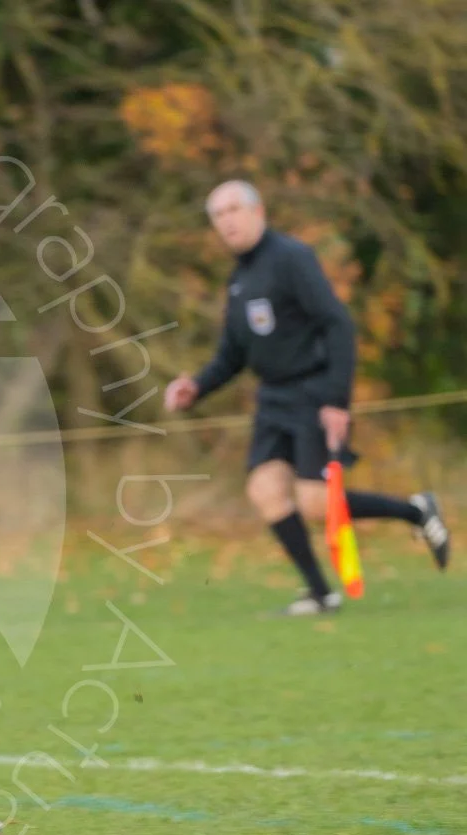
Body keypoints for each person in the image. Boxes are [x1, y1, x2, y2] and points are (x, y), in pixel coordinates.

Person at [166, 180, 450, 615]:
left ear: (258, 212)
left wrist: (336, 400)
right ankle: (321, 594)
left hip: (313, 392)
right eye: (218, 215)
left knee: (316, 504)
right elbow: (233, 354)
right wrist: (197, 387)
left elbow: (338, 324)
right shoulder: (239, 279)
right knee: (265, 491)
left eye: (234, 209)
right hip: (273, 399)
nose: (227, 221)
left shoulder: (291, 258)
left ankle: (416, 510)